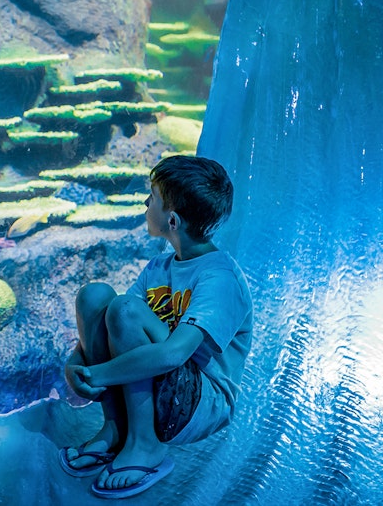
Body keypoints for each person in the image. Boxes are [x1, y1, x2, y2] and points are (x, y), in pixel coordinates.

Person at [60, 155, 252, 499]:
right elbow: (113, 322)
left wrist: (99, 374)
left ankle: (146, 446)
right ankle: (116, 428)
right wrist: (76, 362)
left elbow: (175, 352)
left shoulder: (219, 277)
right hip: (164, 385)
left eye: (153, 198)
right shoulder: (159, 266)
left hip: (198, 402)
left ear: (173, 219)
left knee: (125, 308)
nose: (146, 203)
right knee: (96, 297)